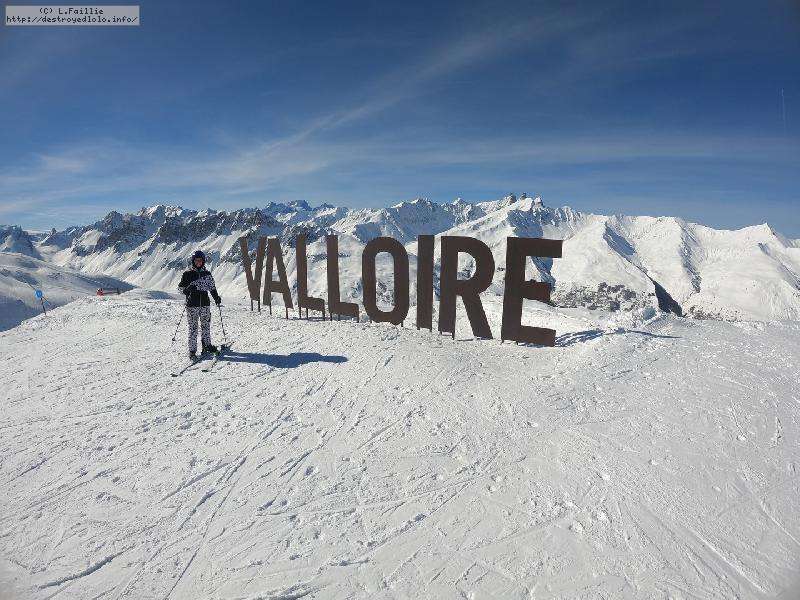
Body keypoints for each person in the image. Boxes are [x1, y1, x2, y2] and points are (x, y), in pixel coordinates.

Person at [178, 250, 222, 359]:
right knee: (193, 328)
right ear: (193, 261)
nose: (198, 262)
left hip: (205, 305)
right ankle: (192, 351)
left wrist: (216, 297)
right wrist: (187, 289)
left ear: (203, 261)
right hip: (192, 306)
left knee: (206, 326)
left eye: (200, 260)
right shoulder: (187, 274)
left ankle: (207, 346)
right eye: (196, 260)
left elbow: (212, 288)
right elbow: (180, 289)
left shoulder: (207, 274)